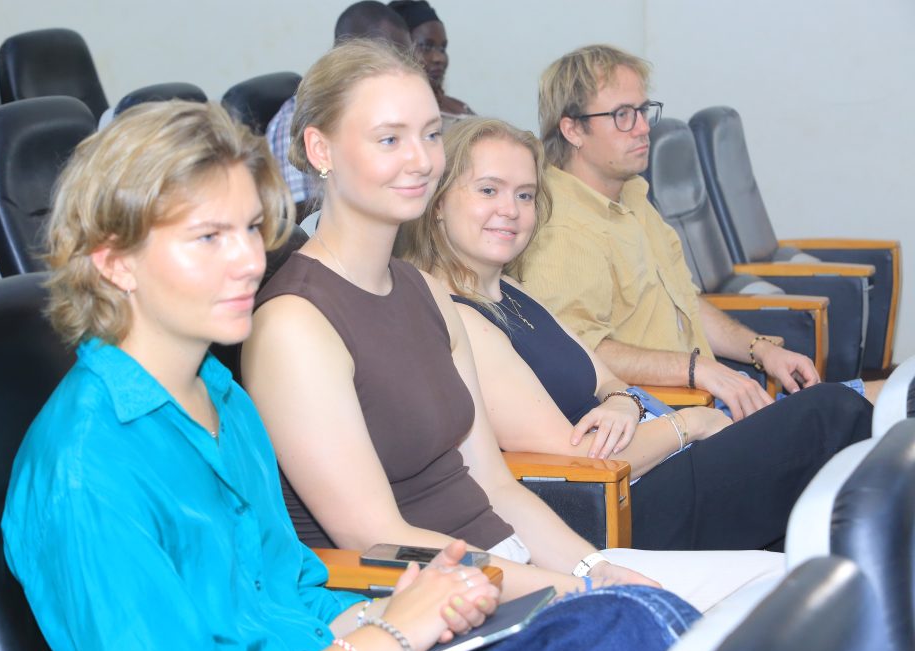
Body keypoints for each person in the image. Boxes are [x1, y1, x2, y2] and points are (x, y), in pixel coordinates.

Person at [0, 100, 697, 651]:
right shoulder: (86, 468)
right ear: (115, 262)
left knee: (631, 620)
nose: (248, 260)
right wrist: (389, 636)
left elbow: (293, 591)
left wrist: (398, 608)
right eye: (208, 237)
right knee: (625, 637)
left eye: (251, 229)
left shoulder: (221, 398)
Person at [243, 39, 787, 615]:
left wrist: (593, 569)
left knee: (779, 581)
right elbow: (373, 538)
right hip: (435, 602)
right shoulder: (295, 323)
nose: (421, 160)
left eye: (431, 134)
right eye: (389, 139)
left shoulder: (425, 291)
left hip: (514, 564)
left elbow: (497, 486)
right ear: (320, 149)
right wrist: (577, 592)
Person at [395, 116, 874, 552]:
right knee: (830, 413)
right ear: (437, 204)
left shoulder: (514, 290)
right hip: (621, 507)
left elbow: (607, 378)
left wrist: (623, 402)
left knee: (830, 476)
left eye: (524, 195)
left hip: (655, 457)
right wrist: (692, 424)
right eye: (488, 191)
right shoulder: (455, 317)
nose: (511, 210)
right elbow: (571, 454)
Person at [523, 44, 878, 421]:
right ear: (573, 129)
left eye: (643, 111)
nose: (643, 128)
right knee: (863, 408)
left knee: (882, 403)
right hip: (666, 419)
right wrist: (697, 370)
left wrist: (761, 349)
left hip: (710, 400)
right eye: (623, 115)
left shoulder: (632, 196)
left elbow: (687, 303)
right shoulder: (560, 227)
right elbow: (578, 353)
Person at [266, 1, 411, 222]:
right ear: (348, 52)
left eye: (407, 58)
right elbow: (300, 221)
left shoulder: (393, 112)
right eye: (391, 56)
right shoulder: (299, 117)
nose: (403, 69)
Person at [388, 0, 475, 125]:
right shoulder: (392, 113)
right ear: (400, 49)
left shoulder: (461, 108)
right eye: (427, 47)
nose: (439, 58)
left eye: (442, 48)